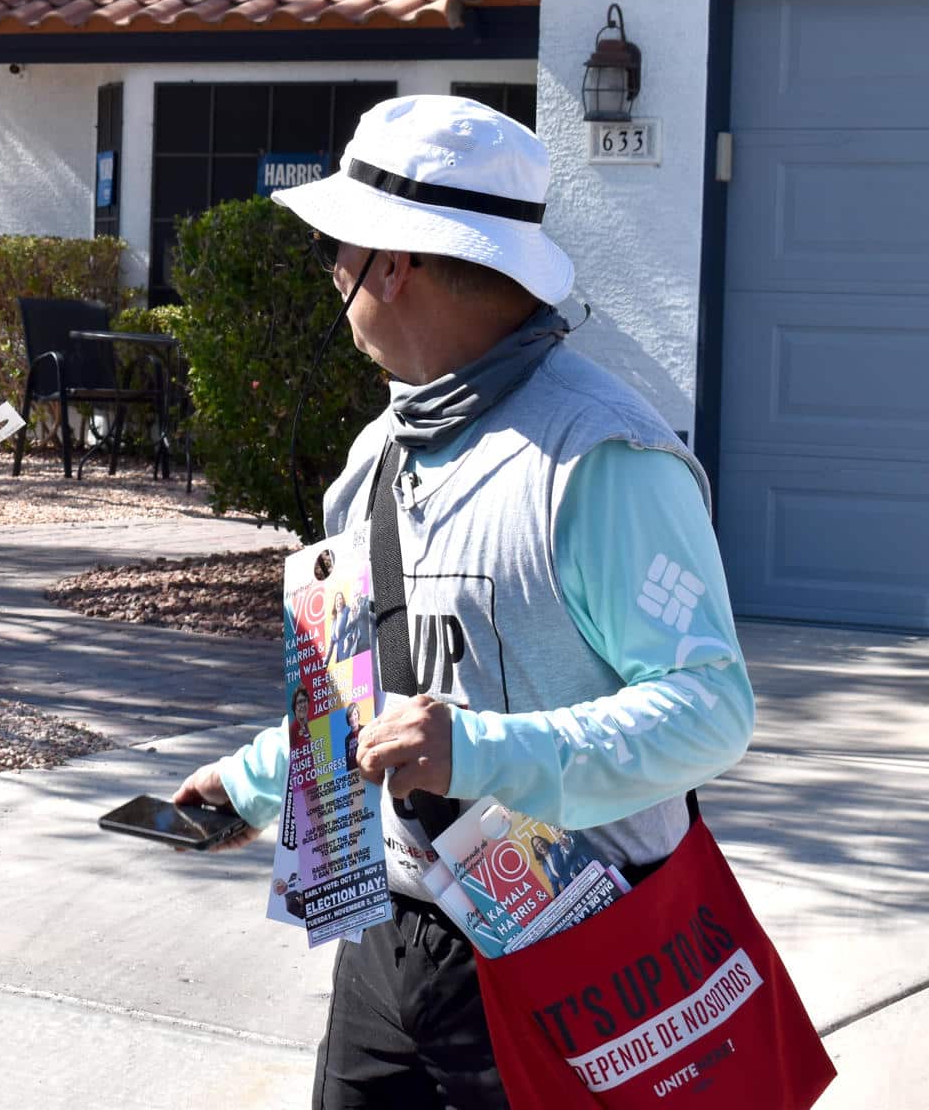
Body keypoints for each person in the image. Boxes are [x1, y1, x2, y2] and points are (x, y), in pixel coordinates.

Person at [172, 94, 755, 1108]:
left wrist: (479, 750)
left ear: (390, 264)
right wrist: (253, 782)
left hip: (576, 955)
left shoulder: (602, 459)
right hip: (386, 949)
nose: (333, 281)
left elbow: (710, 709)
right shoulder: (374, 457)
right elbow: (370, 699)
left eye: (336, 253)